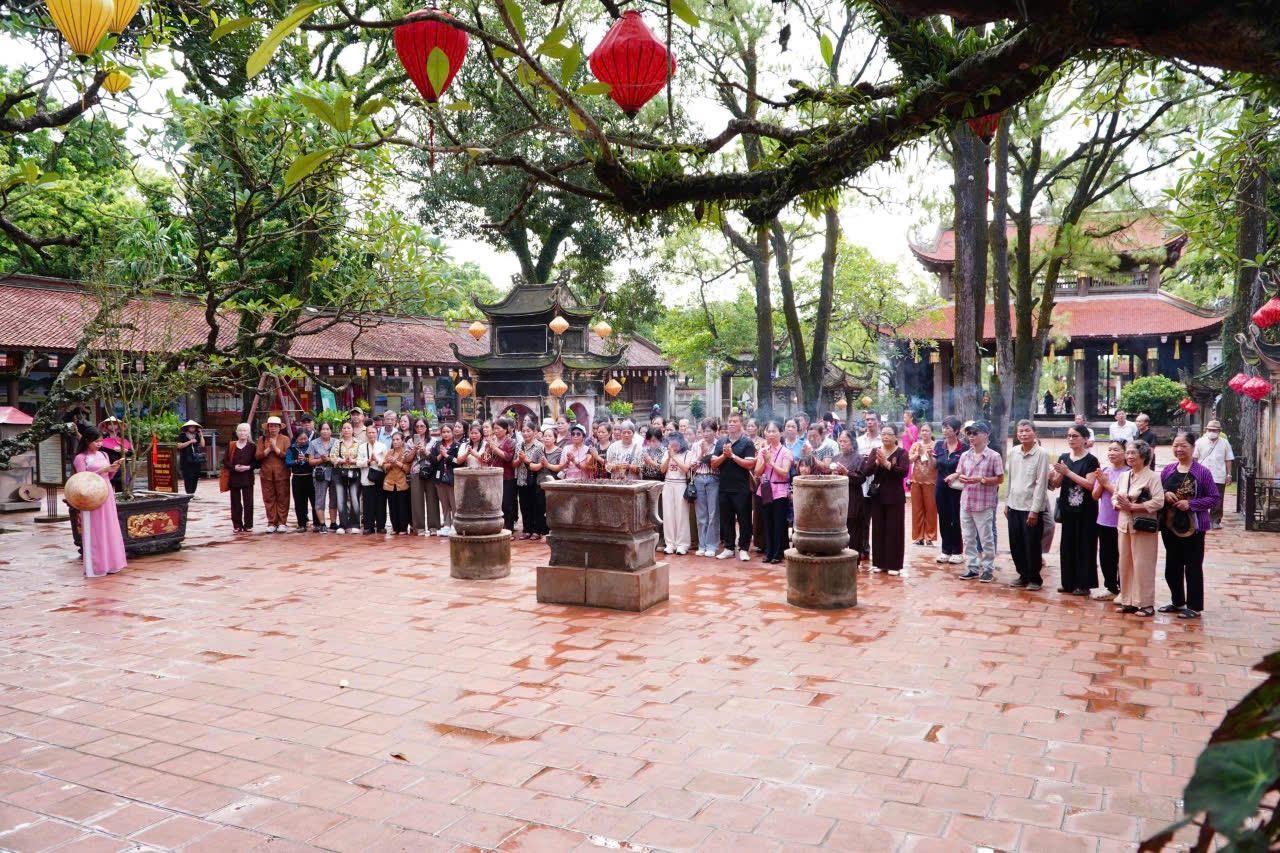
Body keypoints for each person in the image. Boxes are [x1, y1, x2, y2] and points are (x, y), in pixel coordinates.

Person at [1159, 429, 1219, 619]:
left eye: (1183, 446)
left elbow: (1214, 498)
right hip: (1170, 524)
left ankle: (1194, 606)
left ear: (1193, 448)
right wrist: (1164, 494)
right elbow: (1158, 491)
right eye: (1175, 445)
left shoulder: (1202, 472)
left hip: (1194, 526)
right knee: (1172, 565)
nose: (1178, 449)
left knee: (1192, 566)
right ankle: (1177, 601)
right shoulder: (1168, 470)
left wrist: (1191, 504)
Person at [1114, 440, 1165, 617]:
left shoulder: (1153, 477)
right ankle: (1128, 601)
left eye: (1133, 453)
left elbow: (1159, 501)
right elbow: (1115, 495)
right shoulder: (1124, 476)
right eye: (1127, 453)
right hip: (1124, 525)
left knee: (1143, 564)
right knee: (1125, 563)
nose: (1129, 457)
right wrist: (1118, 504)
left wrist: (1133, 507)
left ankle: (1146, 604)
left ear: (1143, 456)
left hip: (1143, 525)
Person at [948, 420, 1003, 583]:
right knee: (968, 537)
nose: (971, 437)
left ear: (985, 435)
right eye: (969, 434)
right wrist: (956, 476)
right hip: (966, 501)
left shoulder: (994, 456)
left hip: (984, 503)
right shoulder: (965, 455)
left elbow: (1000, 479)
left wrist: (982, 479)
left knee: (986, 538)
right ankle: (972, 567)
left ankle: (988, 568)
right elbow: (960, 473)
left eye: (975, 433)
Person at [1049, 423, 1100, 595]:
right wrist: (1056, 474)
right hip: (1068, 509)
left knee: (1085, 545)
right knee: (1067, 544)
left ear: (1085, 439)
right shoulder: (1063, 457)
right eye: (1069, 436)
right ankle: (1068, 582)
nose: (1071, 439)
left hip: (1086, 510)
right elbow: (1056, 484)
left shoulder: (1091, 460)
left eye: (1075, 436)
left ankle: (1083, 584)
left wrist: (1068, 472)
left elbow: (1090, 484)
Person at [72, 425, 126, 578]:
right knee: (95, 530)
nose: (99, 444)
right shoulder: (80, 458)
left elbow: (108, 477)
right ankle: (97, 565)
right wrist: (102, 470)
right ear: (87, 440)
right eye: (96, 441)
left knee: (109, 527)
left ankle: (112, 563)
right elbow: (81, 479)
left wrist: (113, 468)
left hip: (106, 492)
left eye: (101, 441)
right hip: (90, 496)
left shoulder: (103, 455)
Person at [1004, 420, 1051, 590]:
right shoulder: (1014, 452)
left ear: (1035, 433)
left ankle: (1034, 578)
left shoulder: (1042, 454)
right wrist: (1007, 502)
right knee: (1016, 543)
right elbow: (1010, 478)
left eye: (1027, 431)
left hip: (1031, 507)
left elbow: (1041, 484)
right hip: (1014, 505)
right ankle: (1022, 575)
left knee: (1031, 543)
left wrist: (1035, 510)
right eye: (1020, 431)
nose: (1023, 434)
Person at [861, 424, 909, 574]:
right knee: (878, 529)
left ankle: (894, 565)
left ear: (896, 437)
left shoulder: (902, 453)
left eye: (889, 434)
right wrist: (876, 462)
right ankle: (880, 563)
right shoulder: (876, 451)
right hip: (878, 496)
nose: (885, 436)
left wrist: (887, 464)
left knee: (894, 530)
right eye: (883, 434)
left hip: (894, 497)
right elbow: (866, 471)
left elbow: (903, 472)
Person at [712, 412, 756, 562]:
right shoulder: (721, 442)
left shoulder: (747, 442)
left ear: (740, 424)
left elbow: (750, 464)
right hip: (724, 487)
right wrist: (725, 455)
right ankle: (729, 548)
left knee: (744, 519)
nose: (731, 423)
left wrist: (732, 456)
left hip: (741, 488)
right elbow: (713, 463)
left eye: (735, 421)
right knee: (726, 519)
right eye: (729, 421)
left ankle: (744, 548)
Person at [1091, 440, 1130, 600]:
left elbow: (1123, 497)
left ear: (1125, 453)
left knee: (1123, 556)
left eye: (1116, 450)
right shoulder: (1105, 470)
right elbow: (1094, 496)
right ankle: (1110, 587)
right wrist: (1101, 483)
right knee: (1106, 556)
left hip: (1122, 522)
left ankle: (1124, 589)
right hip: (1104, 520)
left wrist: (1106, 483)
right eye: (1110, 450)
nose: (1111, 453)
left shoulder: (1129, 472)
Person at [752, 421, 794, 564]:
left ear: (780, 433)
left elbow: (785, 473)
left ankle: (777, 553)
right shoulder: (763, 451)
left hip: (780, 491)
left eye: (774, 431)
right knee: (767, 523)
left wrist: (771, 462)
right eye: (768, 431)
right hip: (765, 490)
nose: (771, 434)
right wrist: (764, 460)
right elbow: (757, 472)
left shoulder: (786, 452)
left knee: (778, 523)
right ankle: (768, 552)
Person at [933, 416, 968, 565]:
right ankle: (945, 550)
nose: (944, 431)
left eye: (948, 428)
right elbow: (934, 465)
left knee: (956, 518)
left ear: (956, 430)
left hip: (957, 487)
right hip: (941, 487)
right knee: (944, 518)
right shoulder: (939, 445)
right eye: (943, 427)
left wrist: (956, 474)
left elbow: (968, 466)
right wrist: (928, 456)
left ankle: (957, 551)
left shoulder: (964, 447)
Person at [831, 432, 866, 563]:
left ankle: (854, 560)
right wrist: (834, 474)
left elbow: (861, 478)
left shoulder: (859, 458)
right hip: (837, 498)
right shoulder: (836, 458)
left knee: (853, 531)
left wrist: (847, 473)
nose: (842, 444)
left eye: (845, 441)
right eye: (840, 441)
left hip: (853, 498)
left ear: (852, 442)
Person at [1192, 419, 1234, 528]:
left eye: (1214, 430)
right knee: (1201, 496)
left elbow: (1228, 459)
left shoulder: (1225, 443)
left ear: (1219, 431)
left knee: (1218, 498)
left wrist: (1229, 474)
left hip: (1219, 474)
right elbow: (1195, 458)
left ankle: (1215, 520)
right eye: (1210, 430)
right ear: (1206, 430)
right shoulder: (1200, 442)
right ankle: (1202, 518)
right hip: (1202, 475)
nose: (1212, 432)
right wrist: (1194, 472)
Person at [254, 416, 290, 533]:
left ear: (280, 428)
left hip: (282, 473)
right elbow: (258, 456)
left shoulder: (285, 439)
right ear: (268, 428)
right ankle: (271, 522)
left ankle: (282, 522)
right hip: (266, 473)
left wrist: (276, 449)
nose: (273, 428)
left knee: (283, 497)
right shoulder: (262, 439)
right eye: (271, 426)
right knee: (268, 498)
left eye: (275, 426)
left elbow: (288, 456)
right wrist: (269, 449)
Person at [660, 431, 694, 555]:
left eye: (675, 443)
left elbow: (686, 469)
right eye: (671, 443)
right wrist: (669, 457)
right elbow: (662, 470)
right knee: (668, 515)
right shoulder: (666, 453)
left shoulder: (687, 453)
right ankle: (670, 543)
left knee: (681, 514)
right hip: (668, 484)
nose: (673, 446)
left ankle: (682, 544)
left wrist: (674, 457)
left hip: (680, 484)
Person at [690, 419, 721, 557]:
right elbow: (692, 466)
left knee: (713, 514)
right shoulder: (696, 445)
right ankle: (702, 545)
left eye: (709, 431)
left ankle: (712, 545)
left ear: (715, 431)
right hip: (698, 479)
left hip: (714, 479)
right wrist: (702, 454)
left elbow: (720, 464)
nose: (706, 434)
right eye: (704, 431)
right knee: (701, 515)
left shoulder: (719, 444)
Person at [406, 418, 439, 535]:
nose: (419, 428)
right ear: (414, 428)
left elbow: (436, 458)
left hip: (430, 472)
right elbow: (408, 459)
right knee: (416, 500)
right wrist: (414, 449)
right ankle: (419, 527)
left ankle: (434, 527)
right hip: (416, 472)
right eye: (417, 426)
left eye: (422, 426)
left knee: (432, 499)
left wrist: (425, 451)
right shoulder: (410, 441)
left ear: (426, 427)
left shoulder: (434, 441)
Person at [527, 427, 563, 535]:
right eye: (545, 436)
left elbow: (560, 467)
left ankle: (551, 531)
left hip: (554, 484)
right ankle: (540, 531)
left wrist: (547, 465)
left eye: (549, 436)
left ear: (555, 439)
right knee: (540, 507)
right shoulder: (538, 451)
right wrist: (540, 465)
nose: (546, 438)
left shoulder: (559, 451)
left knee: (552, 508)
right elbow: (531, 465)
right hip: (540, 483)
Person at [908, 423, 937, 546]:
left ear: (931, 432)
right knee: (917, 510)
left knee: (930, 509)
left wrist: (927, 455)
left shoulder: (935, 445)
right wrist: (918, 454)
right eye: (923, 431)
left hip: (931, 480)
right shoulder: (916, 445)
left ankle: (929, 536)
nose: (924, 433)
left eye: (927, 430)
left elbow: (936, 463)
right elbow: (908, 460)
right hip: (916, 480)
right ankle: (919, 537)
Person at [330, 421, 362, 534]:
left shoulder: (358, 443)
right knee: (340, 499)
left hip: (355, 472)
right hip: (340, 472)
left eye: (348, 428)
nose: (346, 430)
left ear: (352, 430)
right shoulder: (337, 443)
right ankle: (343, 525)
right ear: (341, 430)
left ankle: (355, 524)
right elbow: (332, 457)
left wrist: (353, 461)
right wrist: (342, 460)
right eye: (344, 428)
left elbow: (362, 457)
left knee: (354, 498)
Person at [515, 421, 545, 539]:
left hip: (535, 480)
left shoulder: (539, 446)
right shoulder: (519, 445)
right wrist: (519, 459)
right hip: (522, 479)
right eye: (523, 431)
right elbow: (514, 463)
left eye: (529, 431)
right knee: (524, 505)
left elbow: (540, 464)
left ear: (534, 432)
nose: (526, 433)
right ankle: (527, 529)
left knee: (536, 506)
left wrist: (525, 459)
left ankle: (536, 530)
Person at [307, 422, 338, 532]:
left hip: (334, 473)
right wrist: (320, 460)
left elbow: (340, 458)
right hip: (320, 474)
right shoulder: (313, 443)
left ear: (331, 430)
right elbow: (310, 461)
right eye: (323, 429)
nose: (325, 431)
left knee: (334, 499)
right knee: (320, 499)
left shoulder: (337, 442)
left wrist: (329, 459)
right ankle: (322, 523)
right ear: (319, 431)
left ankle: (333, 523)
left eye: (328, 429)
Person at [226, 422, 256, 533]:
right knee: (235, 503)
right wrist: (234, 467)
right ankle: (237, 525)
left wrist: (248, 467)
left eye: (245, 430)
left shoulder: (252, 446)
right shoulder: (231, 445)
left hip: (247, 478)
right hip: (234, 478)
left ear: (248, 433)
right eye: (240, 430)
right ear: (237, 432)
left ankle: (248, 524)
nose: (242, 432)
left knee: (248, 502)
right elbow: (225, 461)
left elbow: (256, 462)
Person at [357, 424, 387, 535]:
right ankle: (368, 526)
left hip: (379, 478)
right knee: (367, 504)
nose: (371, 434)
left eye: (373, 432)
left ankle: (381, 526)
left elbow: (385, 463)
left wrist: (377, 460)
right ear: (366, 434)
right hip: (366, 478)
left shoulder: (382, 446)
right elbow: (358, 462)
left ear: (377, 433)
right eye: (369, 432)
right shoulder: (362, 447)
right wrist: (368, 461)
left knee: (380, 503)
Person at [489, 417, 518, 531]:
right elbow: (488, 458)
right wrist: (489, 449)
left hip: (507, 477)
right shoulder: (493, 441)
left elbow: (508, 457)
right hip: (494, 476)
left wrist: (495, 448)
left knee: (507, 504)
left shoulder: (510, 442)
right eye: (494, 429)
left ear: (505, 429)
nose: (495, 431)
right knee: (496, 503)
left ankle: (509, 528)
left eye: (498, 428)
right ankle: (498, 527)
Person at [430, 424, 459, 535]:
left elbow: (458, 462)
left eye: (448, 431)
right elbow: (432, 461)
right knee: (444, 503)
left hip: (453, 479)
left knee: (454, 503)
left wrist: (446, 455)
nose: (446, 434)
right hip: (440, 478)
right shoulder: (437, 445)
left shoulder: (458, 445)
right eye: (443, 432)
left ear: (452, 432)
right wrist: (441, 455)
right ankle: (446, 524)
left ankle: (456, 525)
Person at [382, 431, 411, 535]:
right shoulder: (389, 452)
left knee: (402, 506)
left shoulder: (406, 453)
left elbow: (408, 469)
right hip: (390, 483)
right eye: (393, 440)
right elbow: (384, 466)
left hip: (401, 483)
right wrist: (389, 464)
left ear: (402, 441)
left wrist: (396, 462)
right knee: (392, 506)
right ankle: (395, 528)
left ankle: (403, 528)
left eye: (398, 439)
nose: (395, 442)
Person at [286, 429, 314, 532]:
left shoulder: (311, 447)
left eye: (305, 438)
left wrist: (306, 459)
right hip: (297, 478)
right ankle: (301, 524)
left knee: (314, 501)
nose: (303, 441)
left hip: (310, 477)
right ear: (296, 439)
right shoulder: (292, 449)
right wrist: (296, 461)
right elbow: (287, 462)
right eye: (300, 439)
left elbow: (314, 458)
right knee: (299, 502)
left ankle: (317, 523)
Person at [175, 420, 205, 495]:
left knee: (195, 476)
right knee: (188, 476)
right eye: (191, 427)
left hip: (195, 459)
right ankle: (188, 493)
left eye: (194, 427)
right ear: (187, 427)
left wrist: (201, 435)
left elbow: (202, 445)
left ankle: (193, 493)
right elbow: (179, 446)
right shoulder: (182, 435)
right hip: (185, 459)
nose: (192, 428)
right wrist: (190, 442)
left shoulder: (197, 435)